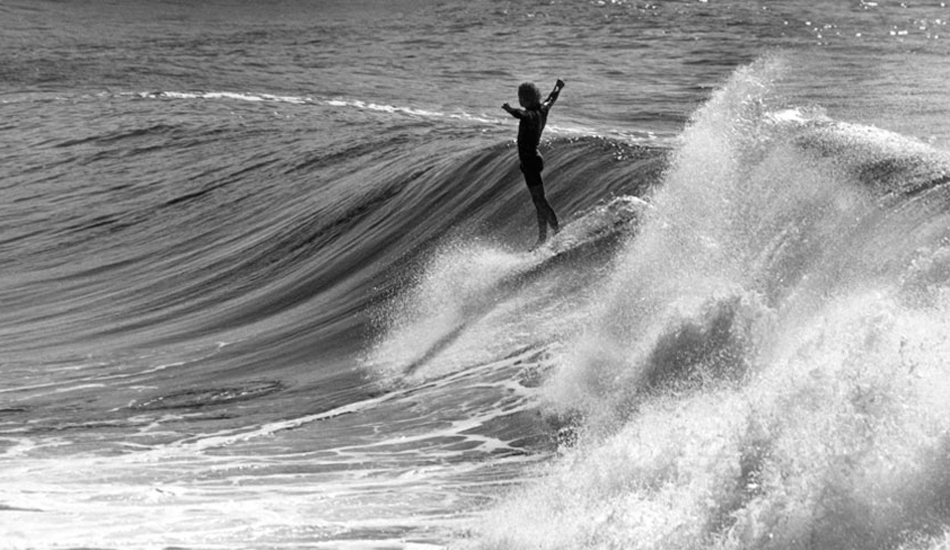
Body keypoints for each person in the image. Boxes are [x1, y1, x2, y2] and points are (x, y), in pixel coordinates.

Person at [502, 79, 565, 247]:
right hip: (534, 159)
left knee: (540, 201)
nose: (519, 101)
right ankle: (542, 238)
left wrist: (509, 109)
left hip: (529, 161)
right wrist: (557, 88)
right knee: (538, 201)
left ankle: (557, 233)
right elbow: (551, 99)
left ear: (525, 99)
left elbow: (520, 114)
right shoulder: (543, 110)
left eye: (520, 98)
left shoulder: (529, 115)